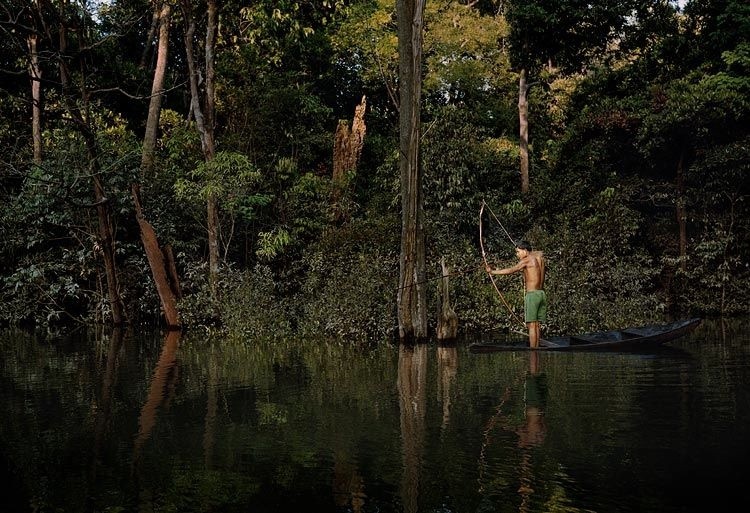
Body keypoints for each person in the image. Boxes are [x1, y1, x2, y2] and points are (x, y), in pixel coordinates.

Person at [485, 240, 546, 348]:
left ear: (525, 250)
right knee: (537, 324)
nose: (517, 254)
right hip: (541, 294)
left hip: (532, 295)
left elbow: (511, 270)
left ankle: (533, 351)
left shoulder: (526, 261)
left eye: (518, 252)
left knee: (531, 325)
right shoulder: (539, 258)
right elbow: (539, 255)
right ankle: (536, 350)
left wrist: (492, 272)